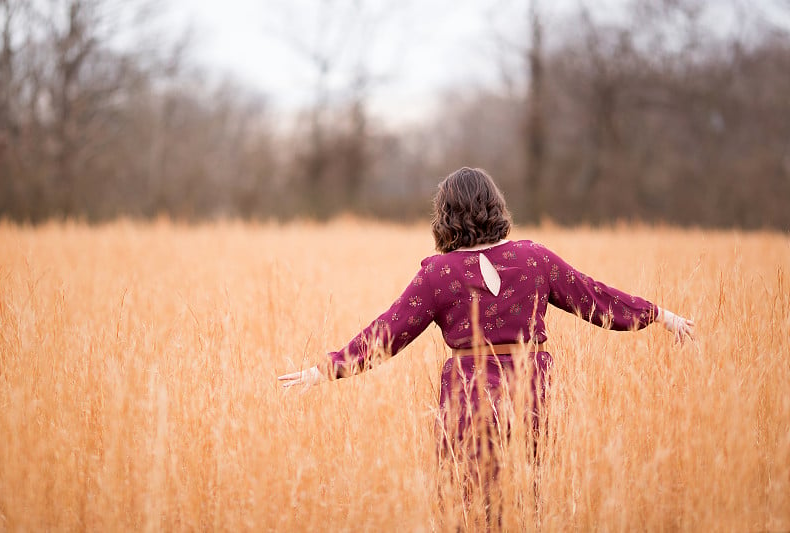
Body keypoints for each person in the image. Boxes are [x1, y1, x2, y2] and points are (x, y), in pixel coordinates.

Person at [278, 167, 695, 521]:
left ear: (445, 217)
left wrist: (325, 369)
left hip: (468, 401)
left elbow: (388, 332)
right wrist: (660, 315)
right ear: (496, 208)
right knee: (527, 502)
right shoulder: (535, 258)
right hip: (531, 394)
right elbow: (596, 299)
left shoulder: (438, 273)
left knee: (467, 507)